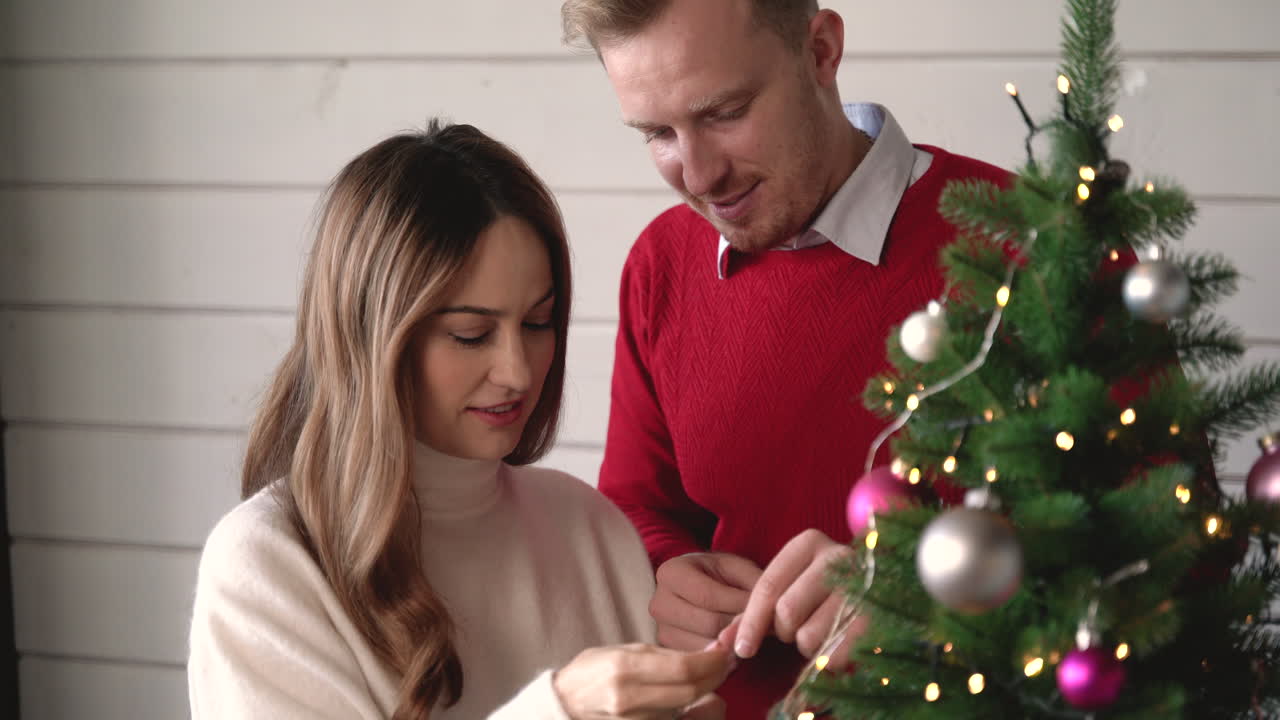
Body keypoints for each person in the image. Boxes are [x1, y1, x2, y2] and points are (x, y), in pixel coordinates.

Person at [186, 121, 735, 719]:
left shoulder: (590, 530)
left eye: (537, 323)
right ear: (373, 337)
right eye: (471, 335)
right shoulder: (269, 564)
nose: (518, 373)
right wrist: (559, 710)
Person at [560, 0, 1010, 715]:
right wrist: (666, 570)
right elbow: (637, 505)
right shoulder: (661, 265)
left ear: (822, 50)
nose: (698, 176)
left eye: (723, 113)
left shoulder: (1023, 247)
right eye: (658, 134)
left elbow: (1174, 540)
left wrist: (923, 599)